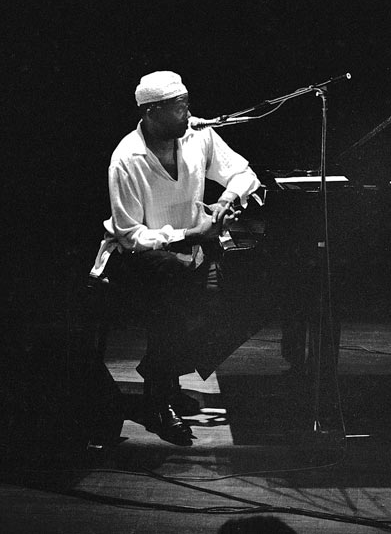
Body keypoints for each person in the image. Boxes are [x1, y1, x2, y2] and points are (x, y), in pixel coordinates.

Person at [90, 70, 263, 445]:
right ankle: (159, 401)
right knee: (172, 281)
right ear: (152, 111)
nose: (189, 113)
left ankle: (160, 372)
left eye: (187, 103)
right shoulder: (126, 159)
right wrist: (187, 235)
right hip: (135, 259)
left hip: (191, 250)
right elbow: (131, 234)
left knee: (250, 295)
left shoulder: (198, 136)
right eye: (180, 106)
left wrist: (225, 200)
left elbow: (243, 172)